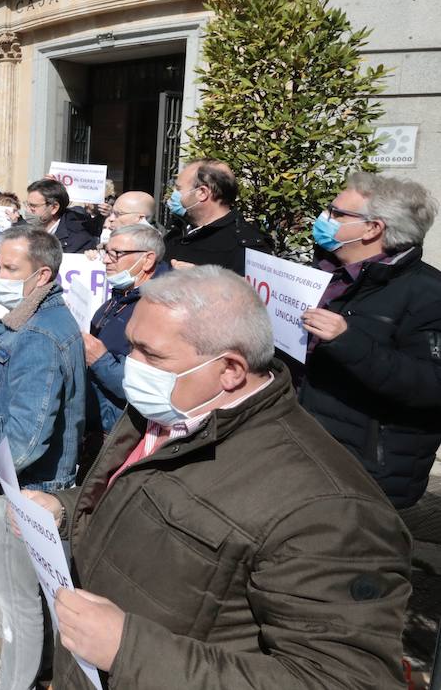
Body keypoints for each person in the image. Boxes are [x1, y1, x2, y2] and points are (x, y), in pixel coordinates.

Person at [22, 267, 411, 689]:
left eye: (149, 353)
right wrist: (68, 504)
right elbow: (146, 491)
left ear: (229, 370)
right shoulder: (168, 406)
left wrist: (127, 648)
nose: (130, 362)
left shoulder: (332, 511)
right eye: (131, 344)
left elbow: (344, 680)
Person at [0, 225, 85, 690]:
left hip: (24, 490)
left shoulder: (39, 334)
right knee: (26, 598)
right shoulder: (29, 320)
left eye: (10, 268)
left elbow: (29, 435)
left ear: (42, 273)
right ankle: (32, 669)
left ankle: (16, 682)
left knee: (17, 602)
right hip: (24, 486)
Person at [298, 172, 441, 509]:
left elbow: (432, 385)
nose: (324, 218)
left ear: (373, 228)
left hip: (366, 472)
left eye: (337, 213)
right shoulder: (324, 274)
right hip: (309, 451)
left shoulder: (429, 294)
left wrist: (347, 340)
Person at [83, 224, 167, 435]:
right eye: (106, 251)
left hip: (120, 433)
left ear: (147, 259)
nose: (105, 260)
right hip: (97, 421)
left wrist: (101, 360)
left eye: (116, 253)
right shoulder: (122, 294)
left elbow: (150, 388)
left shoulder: (161, 309)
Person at [163, 159, 270, 274]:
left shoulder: (247, 248)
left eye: (179, 189)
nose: (173, 194)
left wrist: (205, 280)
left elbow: (250, 290)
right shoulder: (178, 231)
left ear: (202, 193)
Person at [25, 178, 99, 253]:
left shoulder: (79, 240)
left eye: (33, 206)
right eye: (27, 204)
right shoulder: (22, 231)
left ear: (54, 207)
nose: (28, 210)